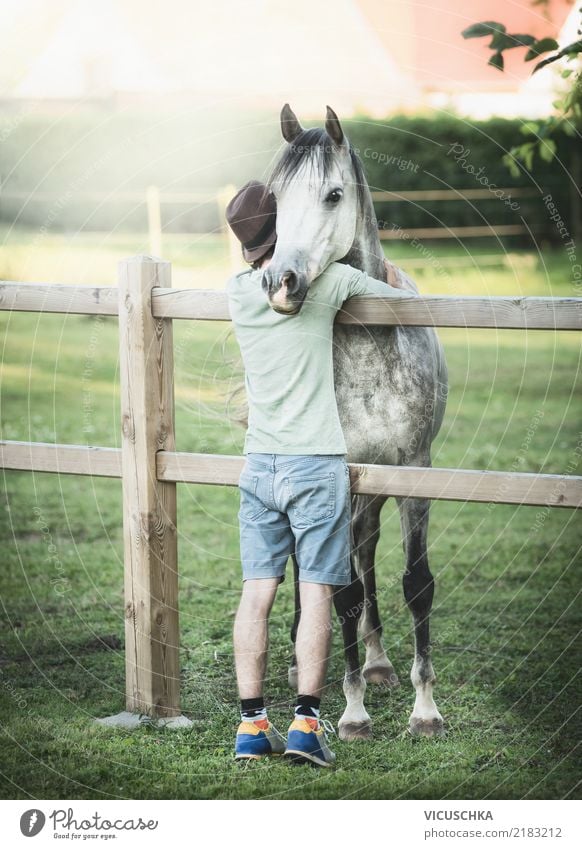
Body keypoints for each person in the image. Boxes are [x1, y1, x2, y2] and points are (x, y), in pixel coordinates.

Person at [225, 180, 405, 767]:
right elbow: (395, 292)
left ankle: (251, 727)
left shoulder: (237, 293)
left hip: (259, 468)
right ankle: (305, 725)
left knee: (256, 596)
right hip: (316, 468)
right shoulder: (328, 287)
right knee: (316, 594)